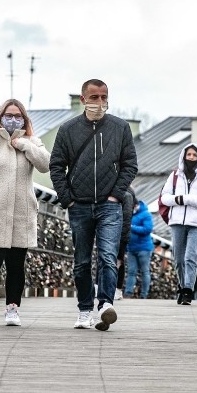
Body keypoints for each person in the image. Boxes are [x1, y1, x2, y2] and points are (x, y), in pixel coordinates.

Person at [49, 79, 138, 331]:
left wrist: (116, 194)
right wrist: (67, 197)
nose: (99, 102)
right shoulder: (68, 129)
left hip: (110, 205)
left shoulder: (120, 128)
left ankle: (106, 305)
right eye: (94, 97)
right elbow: (56, 165)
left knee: (109, 256)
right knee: (82, 261)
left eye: (103, 97)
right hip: (79, 204)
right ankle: (85, 309)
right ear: (83, 99)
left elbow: (130, 164)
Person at [0, 98, 51, 326]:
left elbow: (45, 164)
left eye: (18, 116)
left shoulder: (33, 141)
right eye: (9, 115)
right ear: (0, 117)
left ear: (24, 119)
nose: (13, 120)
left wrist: (24, 145)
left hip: (21, 213)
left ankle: (12, 309)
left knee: (16, 264)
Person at [160, 143, 197, 305]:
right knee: (178, 258)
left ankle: (188, 290)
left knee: (191, 257)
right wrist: (179, 199)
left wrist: (187, 199)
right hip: (176, 221)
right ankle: (182, 285)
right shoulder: (175, 175)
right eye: (189, 155)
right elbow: (164, 197)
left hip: (196, 223)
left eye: (194, 155)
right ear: (184, 156)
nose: (191, 158)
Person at [124, 194, 153, 299]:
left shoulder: (146, 215)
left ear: (136, 205)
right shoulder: (131, 215)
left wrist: (132, 227)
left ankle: (144, 294)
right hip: (131, 248)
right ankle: (128, 292)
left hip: (144, 248)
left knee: (145, 271)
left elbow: (147, 229)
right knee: (131, 272)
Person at [114, 187, 136, 300]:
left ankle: (117, 289)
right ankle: (117, 289)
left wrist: (122, 237)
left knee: (118, 260)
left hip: (119, 233)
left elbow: (126, 218)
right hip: (120, 233)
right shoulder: (129, 193)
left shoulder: (126, 194)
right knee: (118, 260)